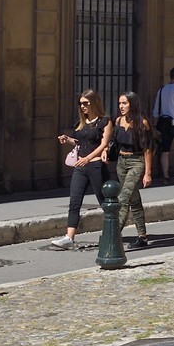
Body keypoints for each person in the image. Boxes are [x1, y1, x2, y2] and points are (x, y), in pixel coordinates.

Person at [50, 88, 113, 250]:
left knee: (104, 201)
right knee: (74, 201)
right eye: (80, 104)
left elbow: (104, 144)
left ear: (94, 103)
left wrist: (88, 158)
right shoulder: (81, 123)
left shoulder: (105, 121)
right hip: (80, 167)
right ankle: (69, 238)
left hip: (96, 165)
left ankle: (113, 232)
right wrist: (68, 139)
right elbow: (80, 142)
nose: (83, 106)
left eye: (86, 103)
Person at [111, 91, 154, 249]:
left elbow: (148, 149)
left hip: (136, 162)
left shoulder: (143, 123)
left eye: (124, 103)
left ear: (133, 104)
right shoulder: (118, 120)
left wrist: (147, 173)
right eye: (120, 103)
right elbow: (114, 142)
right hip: (121, 162)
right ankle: (142, 236)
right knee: (134, 200)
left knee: (123, 198)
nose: (121, 106)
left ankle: (113, 235)